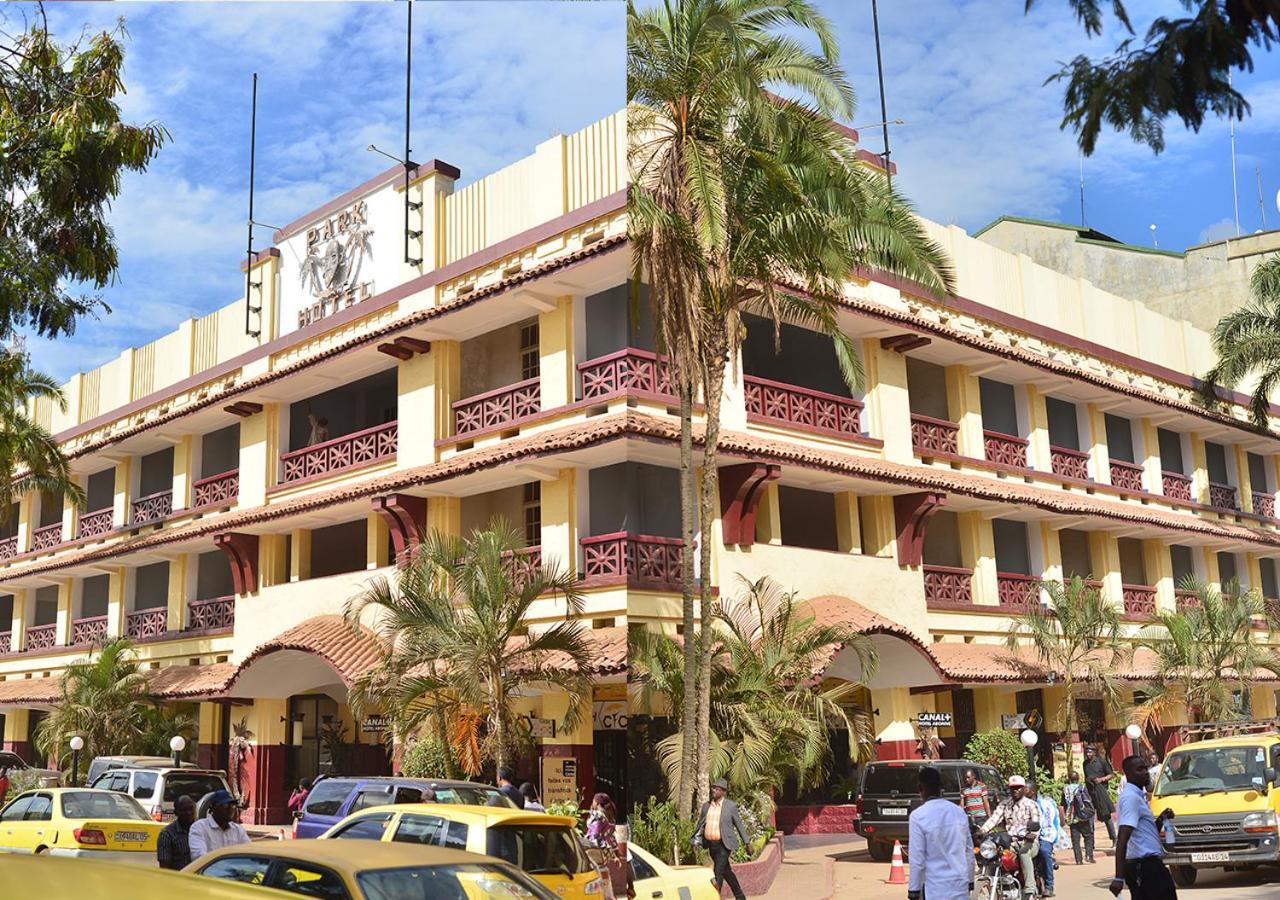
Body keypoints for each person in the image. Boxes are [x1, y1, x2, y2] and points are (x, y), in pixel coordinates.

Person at [1110, 755, 1177, 899]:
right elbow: (1122, 838)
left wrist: (1161, 819)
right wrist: (1118, 878)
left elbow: (1147, 833)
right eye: (1140, 769)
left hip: (1150, 865)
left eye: (1146, 768)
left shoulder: (1139, 796)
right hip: (1144, 867)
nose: (1145, 772)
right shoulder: (1131, 798)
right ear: (1128, 774)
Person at [907, 765, 975, 900]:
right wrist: (970, 880)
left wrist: (914, 890)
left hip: (936, 889)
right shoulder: (958, 812)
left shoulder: (918, 816)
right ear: (940, 788)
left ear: (920, 788)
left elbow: (917, 859)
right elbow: (968, 851)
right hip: (960, 885)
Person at [980, 775, 1041, 897]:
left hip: (1028, 843)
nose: (1015, 791)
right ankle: (995, 881)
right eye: (1012, 788)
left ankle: (1030, 889)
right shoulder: (1005, 804)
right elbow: (994, 819)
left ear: (1024, 789)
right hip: (1010, 842)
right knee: (994, 853)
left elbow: (1036, 823)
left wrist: (1032, 834)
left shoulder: (1031, 805)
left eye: (1018, 788)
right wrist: (982, 831)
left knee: (1024, 853)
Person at [693, 779, 749, 900]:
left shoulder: (730, 806)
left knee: (718, 872)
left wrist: (747, 842)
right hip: (711, 845)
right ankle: (740, 896)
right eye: (713, 788)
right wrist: (696, 842)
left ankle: (716, 897)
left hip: (724, 845)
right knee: (726, 871)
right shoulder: (706, 806)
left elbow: (739, 825)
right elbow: (700, 825)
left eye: (718, 789)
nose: (714, 790)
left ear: (724, 792)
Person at [189, 789, 250, 858]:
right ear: (214, 807)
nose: (230, 809)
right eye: (225, 805)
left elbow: (249, 854)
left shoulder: (238, 830)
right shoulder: (200, 827)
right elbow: (199, 857)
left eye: (232, 805)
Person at [1084, 745, 1117, 844]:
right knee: (1089, 815)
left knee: (1106, 815)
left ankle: (1114, 838)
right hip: (1090, 792)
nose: (1088, 754)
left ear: (1094, 752)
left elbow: (1111, 774)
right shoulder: (1085, 763)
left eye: (1090, 752)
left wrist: (1101, 779)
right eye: (1087, 752)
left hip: (1101, 790)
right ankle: (1091, 842)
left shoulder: (1101, 762)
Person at [1031, 786, 1061, 897]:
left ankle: (1049, 885)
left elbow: (1048, 824)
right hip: (1026, 835)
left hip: (1045, 834)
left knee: (1044, 851)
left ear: (1032, 791)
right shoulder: (1020, 803)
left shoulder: (1045, 805)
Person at [1062, 770, 1097, 865]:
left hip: (1072, 818)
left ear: (1069, 779)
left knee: (1075, 840)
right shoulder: (1082, 787)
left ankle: (1078, 860)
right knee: (1088, 836)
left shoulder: (1065, 789)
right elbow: (1088, 800)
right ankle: (1089, 856)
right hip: (1083, 816)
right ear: (1078, 779)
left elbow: (1063, 803)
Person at [157, 795, 196, 869]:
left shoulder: (201, 829)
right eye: (183, 810)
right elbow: (164, 868)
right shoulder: (167, 835)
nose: (188, 813)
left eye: (191, 809)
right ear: (176, 813)